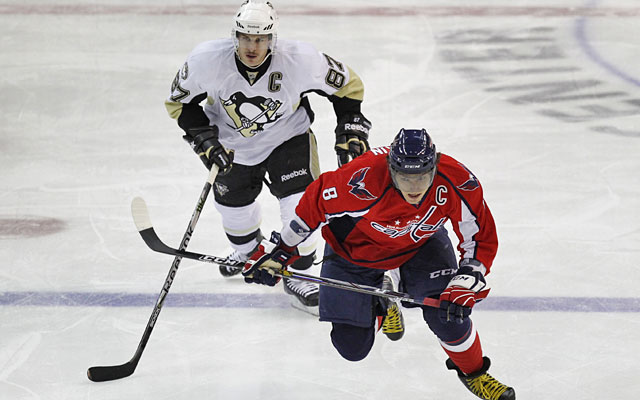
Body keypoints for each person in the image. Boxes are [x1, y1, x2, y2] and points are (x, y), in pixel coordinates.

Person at [242, 128, 516, 400]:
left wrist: (469, 274)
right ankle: (382, 305)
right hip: (356, 251)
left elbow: (480, 235)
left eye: (422, 177)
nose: (415, 189)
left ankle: (475, 373)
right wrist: (283, 251)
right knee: (351, 347)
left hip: (419, 245)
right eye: (405, 179)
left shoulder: (455, 180)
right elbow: (314, 204)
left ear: (434, 167)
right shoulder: (361, 179)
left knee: (448, 313)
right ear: (391, 169)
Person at [164, 0, 371, 308]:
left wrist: (351, 127)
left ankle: (298, 274)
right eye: (246, 37)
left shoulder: (300, 59)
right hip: (231, 148)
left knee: (303, 209)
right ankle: (252, 251)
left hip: (288, 139)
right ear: (235, 36)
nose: (253, 46)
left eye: (261, 38)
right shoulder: (206, 60)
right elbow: (179, 104)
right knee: (236, 218)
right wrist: (204, 139)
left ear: (273, 38)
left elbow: (348, 87)